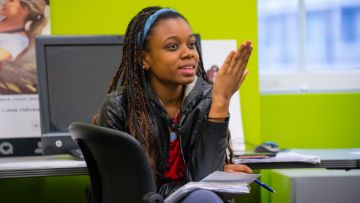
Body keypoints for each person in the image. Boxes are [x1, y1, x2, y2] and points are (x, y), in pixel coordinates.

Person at [95, 6, 253, 203]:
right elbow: (130, 192)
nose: (189, 53)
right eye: (173, 46)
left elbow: (206, 184)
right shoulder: (119, 107)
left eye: (191, 44)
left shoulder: (208, 99)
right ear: (144, 58)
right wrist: (203, 183)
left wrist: (221, 100)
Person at [0, 0, 47, 72]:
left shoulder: (20, 40)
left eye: (11, 1)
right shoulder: (1, 17)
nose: (3, 3)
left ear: (24, 10)